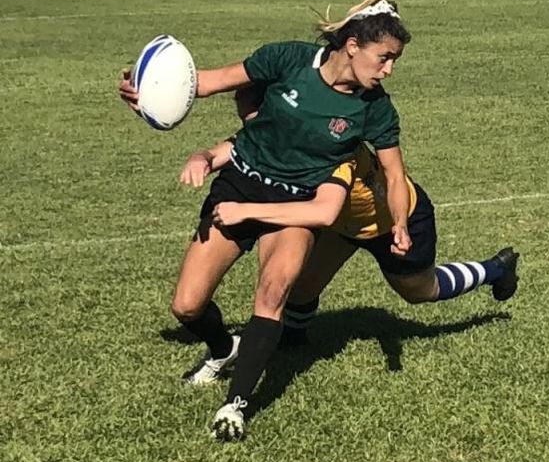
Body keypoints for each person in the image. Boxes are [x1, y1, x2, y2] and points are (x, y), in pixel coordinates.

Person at [119, 0, 413, 441]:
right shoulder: (288, 58)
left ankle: (234, 406)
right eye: (385, 57)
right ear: (352, 45)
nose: (389, 69)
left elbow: (394, 174)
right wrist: (148, 91)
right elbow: (207, 82)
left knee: (273, 292)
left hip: (295, 208)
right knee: (186, 305)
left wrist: (401, 224)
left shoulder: (375, 108)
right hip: (239, 185)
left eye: (394, 61)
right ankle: (224, 348)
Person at [179, 88, 520, 348]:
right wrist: (203, 156)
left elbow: (323, 209)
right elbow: (241, 149)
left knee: (420, 291)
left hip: (392, 223)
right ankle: (291, 344)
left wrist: (245, 212)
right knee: (300, 290)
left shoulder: (325, 143)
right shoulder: (279, 142)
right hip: (343, 227)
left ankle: (496, 269)